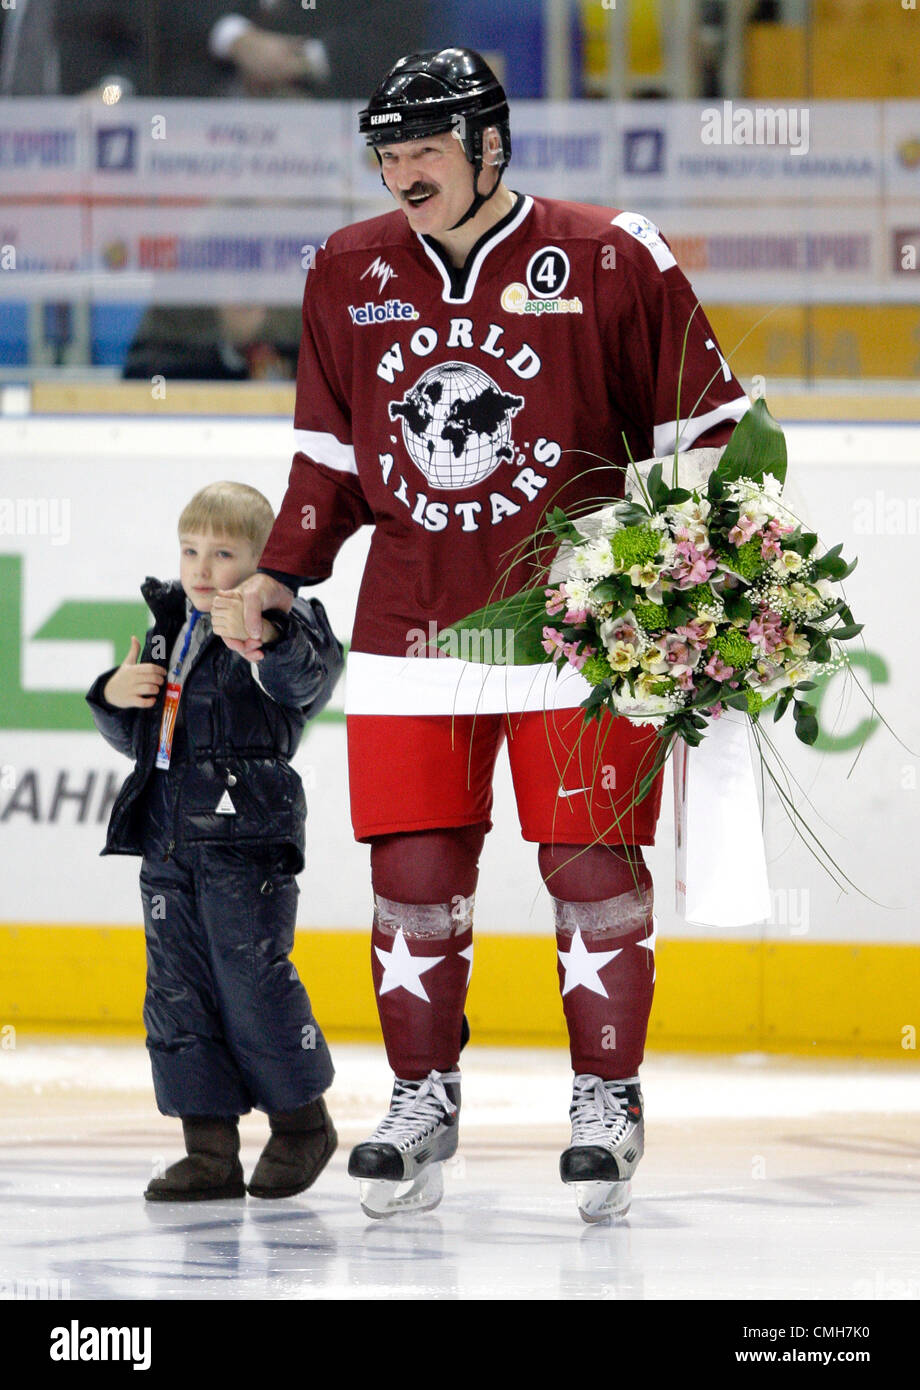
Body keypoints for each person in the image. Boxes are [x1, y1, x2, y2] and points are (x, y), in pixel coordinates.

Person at [221, 47, 750, 1222]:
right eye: (385, 153)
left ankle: (605, 1099)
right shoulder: (346, 269)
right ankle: (420, 1097)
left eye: (422, 150)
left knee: (588, 867)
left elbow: (713, 432)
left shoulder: (612, 254)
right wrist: (282, 572)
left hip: (573, 633)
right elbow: (332, 458)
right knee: (410, 875)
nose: (398, 173)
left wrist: (664, 576)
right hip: (413, 626)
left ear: (488, 147)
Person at [86, 481, 343, 1202]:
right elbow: (145, 739)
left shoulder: (284, 626)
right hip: (167, 843)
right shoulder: (172, 625)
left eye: (224, 553)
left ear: (264, 563)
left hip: (244, 844)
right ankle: (209, 1150)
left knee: (252, 984)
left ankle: (301, 1124)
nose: (201, 567)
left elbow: (308, 681)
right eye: (191, 549)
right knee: (178, 997)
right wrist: (113, 697)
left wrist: (275, 635)